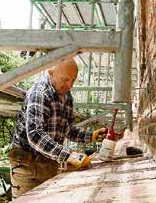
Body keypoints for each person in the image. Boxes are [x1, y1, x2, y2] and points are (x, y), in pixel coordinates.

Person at [9, 57, 106, 198]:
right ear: (51, 73)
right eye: (65, 79)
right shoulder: (40, 93)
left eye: (73, 80)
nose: (70, 85)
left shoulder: (67, 97)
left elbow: (67, 129)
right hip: (26, 166)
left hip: (49, 164)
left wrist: (90, 136)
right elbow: (35, 135)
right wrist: (70, 155)